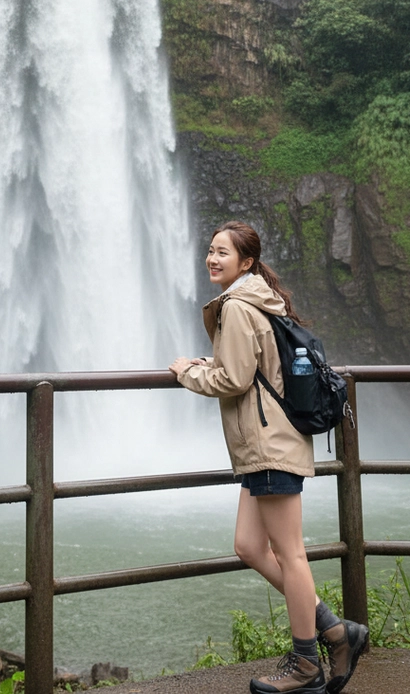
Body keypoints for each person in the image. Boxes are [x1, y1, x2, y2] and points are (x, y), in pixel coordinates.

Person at [169, 221, 367, 694]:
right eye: (210, 251)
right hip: (263, 444)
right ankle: (337, 631)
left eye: (223, 253)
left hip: (268, 443)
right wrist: (207, 363)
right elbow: (244, 367)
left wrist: (185, 373)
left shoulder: (238, 306)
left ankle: (306, 664)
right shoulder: (253, 300)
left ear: (247, 262)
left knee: (290, 554)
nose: (213, 259)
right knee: (249, 546)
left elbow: (233, 380)